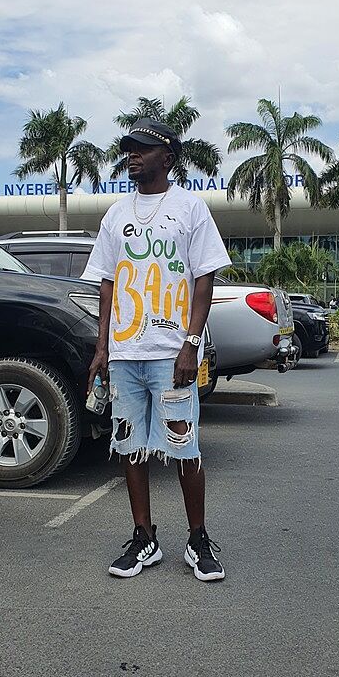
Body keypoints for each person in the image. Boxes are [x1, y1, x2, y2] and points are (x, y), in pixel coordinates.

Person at [87, 118, 231, 582]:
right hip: (125, 353)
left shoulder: (191, 208)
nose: (132, 155)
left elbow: (204, 278)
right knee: (131, 445)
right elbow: (107, 283)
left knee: (184, 446)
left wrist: (191, 343)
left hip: (172, 353)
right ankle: (143, 536)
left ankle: (198, 538)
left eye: (143, 148)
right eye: (129, 148)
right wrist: (102, 347)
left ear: (166, 158)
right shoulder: (116, 214)